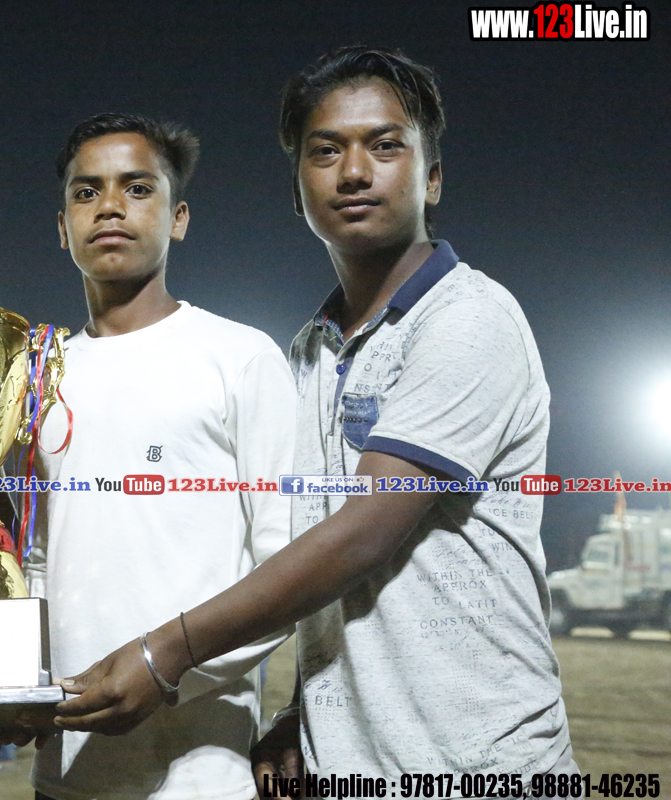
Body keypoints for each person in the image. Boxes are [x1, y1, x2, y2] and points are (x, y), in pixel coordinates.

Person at [53, 47, 578, 785]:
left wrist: (164, 653)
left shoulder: (466, 319)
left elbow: (362, 534)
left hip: (479, 762)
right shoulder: (314, 351)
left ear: (431, 177)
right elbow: (327, 575)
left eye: (385, 146)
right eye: (325, 151)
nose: (354, 172)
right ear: (298, 191)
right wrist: (301, 711)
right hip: (349, 768)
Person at [23, 113, 295, 800]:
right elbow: (35, 560)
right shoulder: (38, 377)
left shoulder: (240, 358)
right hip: (64, 773)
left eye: (137, 188)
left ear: (178, 218)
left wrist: (165, 670)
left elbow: (286, 567)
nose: (109, 206)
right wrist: (9, 683)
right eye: (86, 192)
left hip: (200, 772)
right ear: (62, 228)